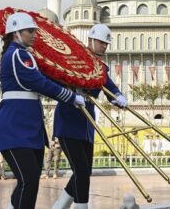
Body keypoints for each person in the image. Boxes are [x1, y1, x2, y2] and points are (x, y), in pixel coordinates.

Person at [0, 12, 84, 209]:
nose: (35, 35)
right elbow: (39, 83)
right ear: (16, 33)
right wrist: (70, 97)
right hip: (15, 127)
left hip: (28, 126)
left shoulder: (26, 55)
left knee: (30, 180)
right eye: (30, 31)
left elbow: (46, 79)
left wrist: (71, 82)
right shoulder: (17, 55)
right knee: (29, 180)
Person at [52, 24, 128, 209]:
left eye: (106, 44)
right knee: (81, 170)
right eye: (101, 42)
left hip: (87, 124)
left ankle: (59, 206)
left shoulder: (100, 67)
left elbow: (108, 85)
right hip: (69, 119)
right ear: (91, 40)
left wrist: (118, 96)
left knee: (84, 171)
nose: (104, 46)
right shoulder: (74, 58)